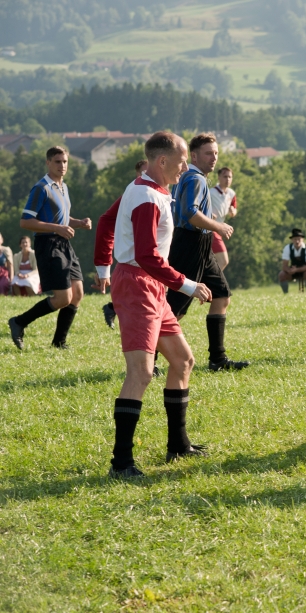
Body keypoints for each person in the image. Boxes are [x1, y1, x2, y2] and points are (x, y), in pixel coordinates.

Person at [93, 131, 212, 479]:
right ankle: (121, 463)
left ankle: (178, 445)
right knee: (141, 373)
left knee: (183, 361)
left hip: (151, 285)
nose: (185, 167)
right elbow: (146, 255)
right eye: (182, 161)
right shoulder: (147, 196)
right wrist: (187, 284)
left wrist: (102, 267)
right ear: (162, 161)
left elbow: (106, 221)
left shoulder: (144, 187)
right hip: (138, 285)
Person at [166, 132, 249, 372]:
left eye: (216, 153)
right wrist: (218, 226)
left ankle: (217, 359)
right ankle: (150, 360)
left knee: (221, 295)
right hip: (190, 245)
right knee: (175, 309)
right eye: (208, 153)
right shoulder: (195, 178)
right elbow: (190, 213)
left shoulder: (190, 176)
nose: (214, 158)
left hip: (200, 246)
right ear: (194, 156)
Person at [8, 146, 92, 350]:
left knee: (78, 293)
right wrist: (57, 228)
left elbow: (62, 219)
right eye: (57, 161)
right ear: (48, 163)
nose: (62, 165)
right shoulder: (41, 188)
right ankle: (19, 322)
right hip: (48, 245)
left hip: (64, 243)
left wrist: (79, 223)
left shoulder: (63, 187)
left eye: (65, 162)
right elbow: (25, 221)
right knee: (63, 298)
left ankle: (59, 342)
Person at [102, 160, 148, 329]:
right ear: (137, 174)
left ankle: (112, 308)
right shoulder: (133, 193)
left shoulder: (163, 191)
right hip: (136, 260)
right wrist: (103, 266)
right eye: (144, 173)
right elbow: (106, 221)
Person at [209, 166, 237, 271]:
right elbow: (200, 207)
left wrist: (233, 211)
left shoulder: (231, 193)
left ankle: (207, 279)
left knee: (210, 261)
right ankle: (213, 279)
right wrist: (209, 214)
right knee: (223, 260)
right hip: (211, 228)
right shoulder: (211, 192)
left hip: (220, 230)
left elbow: (234, 208)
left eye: (230, 177)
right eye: (225, 176)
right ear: (219, 177)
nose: (228, 179)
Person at [279, 228, 306, 293]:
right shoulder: (287, 248)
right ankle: (285, 294)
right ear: (292, 240)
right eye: (295, 239)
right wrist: (289, 270)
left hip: (305, 271)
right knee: (282, 274)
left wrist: (296, 270)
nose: (297, 241)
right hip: (292, 271)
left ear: (302, 239)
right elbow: (284, 265)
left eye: (299, 239)